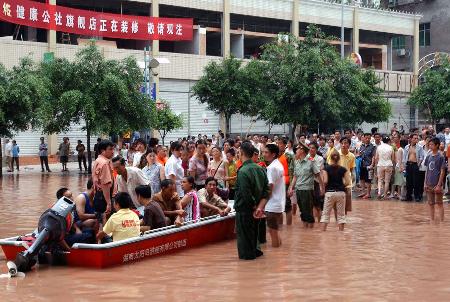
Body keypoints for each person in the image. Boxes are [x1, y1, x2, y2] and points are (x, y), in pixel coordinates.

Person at [234, 141, 269, 260]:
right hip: (258, 211)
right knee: (255, 244)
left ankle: (247, 277)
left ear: (241, 153)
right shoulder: (260, 169)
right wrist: (259, 208)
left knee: (246, 251)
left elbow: (246, 195)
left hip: (245, 211)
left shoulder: (243, 171)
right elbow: (266, 192)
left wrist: (254, 207)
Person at [289, 143, 324, 228]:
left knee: (308, 211)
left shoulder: (311, 161)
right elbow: (295, 176)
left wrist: (322, 188)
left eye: (297, 149)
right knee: (302, 211)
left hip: (308, 190)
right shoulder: (296, 162)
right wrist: (291, 188)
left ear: (302, 151)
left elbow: (318, 175)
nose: (296, 151)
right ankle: (305, 229)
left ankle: (310, 230)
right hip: (298, 189)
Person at [320, 150, 351, 231]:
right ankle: (341, 233)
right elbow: (347, 182)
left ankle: (323, 233)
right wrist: (341, 185)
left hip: (329, 193)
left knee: (325, 214)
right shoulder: (343, 169)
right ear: (339, 158)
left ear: (330, 158)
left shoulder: (326, 168)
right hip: (341, 193)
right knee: (341, 215)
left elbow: (325, 181)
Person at [263, 144, 285, 248]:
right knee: (275, 231)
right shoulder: (278, 165)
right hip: (279, 203)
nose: (264, 154)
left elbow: (270, 187)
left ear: (273, 154)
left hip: (272, 204)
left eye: (266, 152)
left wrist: (263, 202)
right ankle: (278, 254)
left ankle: (276, 258)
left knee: (272, 232)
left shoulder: (271, 168)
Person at [424, 138, 446, 222]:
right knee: (430, 204)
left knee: (439, 203)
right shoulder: (429, 156)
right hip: (429, 183)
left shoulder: (441, 157)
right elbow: (427, 170)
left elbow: (442, 171)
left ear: (437, 145)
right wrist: (425, 183)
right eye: (429, 144)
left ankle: (441, 222)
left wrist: (439, 185)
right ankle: (431, 221)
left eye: (432, 144)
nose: (430, 146)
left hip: (437, 184)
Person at [92, 140, 115, 216]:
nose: (113, 152)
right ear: (102, 150)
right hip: (104, 197)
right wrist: (108, 203)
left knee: (100, 221)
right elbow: (106, 185)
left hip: (99, 196)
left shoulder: (98, 160)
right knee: (104, 222)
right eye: (110, 149)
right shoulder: (104, 163)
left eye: (113, 149)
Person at [402, 133, 425, 202]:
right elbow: (404, 157)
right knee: (409, 182)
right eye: (414, 138)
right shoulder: (407, 147)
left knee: (416, 181)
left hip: (415, 165)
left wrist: (418, 164)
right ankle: (408, 196)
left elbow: (421, 157)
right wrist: (404, 166)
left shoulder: (420, 147)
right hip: (408, 165)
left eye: (417, 138)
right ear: (411, 139)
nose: (416, 139)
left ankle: (417, 196)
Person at [277, 138, 295, 224]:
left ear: (285, 145)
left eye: (280, 144)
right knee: (278, 206)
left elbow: (292, 172)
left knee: (287, 206)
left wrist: (291, 186)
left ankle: (288, 227)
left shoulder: (289, 156)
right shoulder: (274, 156)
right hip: (277, 183)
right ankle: (280, 227)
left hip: (286, 182)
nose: (278, 145)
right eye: (277, 143)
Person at [309, 142, 325, 221]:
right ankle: (312, 224)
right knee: (310, 206)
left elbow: (317, 172)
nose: (311, 149)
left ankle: (319, 223)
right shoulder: (306, 157)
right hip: (307, 183)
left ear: (316, 149)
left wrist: (322, 187)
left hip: (316, 183)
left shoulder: (320, 159)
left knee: (318, 205)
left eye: (313, 148)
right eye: (310, 148)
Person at [359, 133, 376, 199]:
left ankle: (368, 193)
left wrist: (372, 164)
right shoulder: (362, 146)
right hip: (361, 165)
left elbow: (373, 156)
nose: (367, 139)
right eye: (366, 138)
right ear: (363, 138)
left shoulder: (373, 146)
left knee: (368, 180)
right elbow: (360, 154)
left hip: (368, 166)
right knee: (362, 179)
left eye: (369, 138)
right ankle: (363, 192)